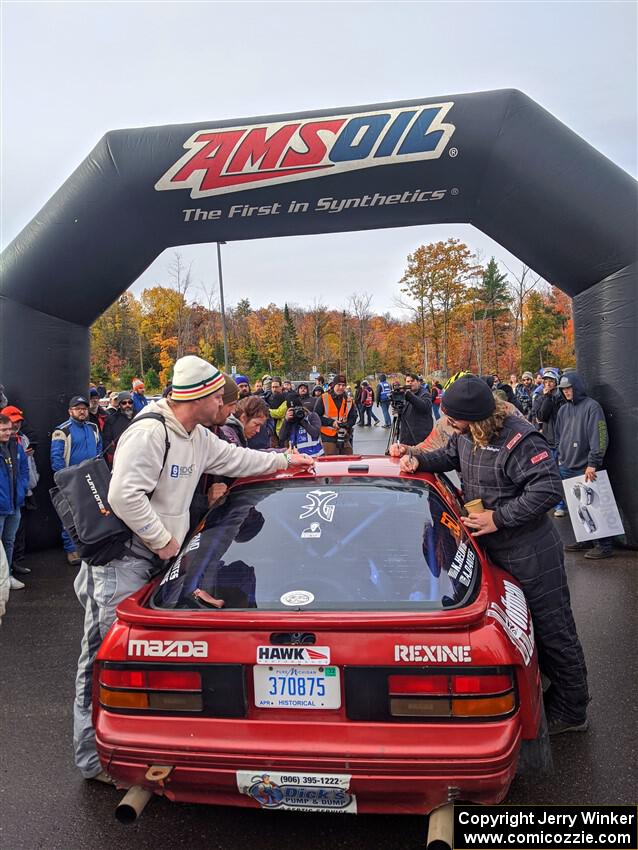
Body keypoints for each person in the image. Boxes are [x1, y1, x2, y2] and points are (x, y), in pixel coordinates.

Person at [73, 356, 315, 784]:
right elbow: (125, 495)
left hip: (154, 559)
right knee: (103, 656)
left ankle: (134, 748)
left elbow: (239, 460)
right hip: (120, 561)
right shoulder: (149, 432)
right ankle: (93, 759)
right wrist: (165, 542)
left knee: (144, 657)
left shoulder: (197, 436)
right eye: (218, 395)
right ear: (198, 396)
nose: (224, 402)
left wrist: (284, 462)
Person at [399, 375, 590, 735]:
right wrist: (415, 457)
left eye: (452, 418)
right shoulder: (466, 433)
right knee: (519, 632)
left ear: (473, 416)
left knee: (553, 629)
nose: (448, 423)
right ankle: (546, 689)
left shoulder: (520, 438)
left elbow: (548, 489)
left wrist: (497, 518)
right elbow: (446, 455)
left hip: (531, 551)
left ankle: (573, 709)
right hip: (491, 549)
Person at [555, 372, 614, 558]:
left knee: (595, 505)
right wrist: (560, 457)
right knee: (576, 507)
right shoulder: (563, 410)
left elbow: (600, 436)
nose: (566, 392)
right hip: (566, 464)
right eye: (563, 389)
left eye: (569, 388)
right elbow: (559, 435)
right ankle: (586, 538)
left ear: (577, 387)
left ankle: (604, 546)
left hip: (585, 466)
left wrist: (593, 462)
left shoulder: (592, 407)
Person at [50, 395, 102, 565]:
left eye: (84, 408)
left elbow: (99, 449)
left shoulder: (93, 427)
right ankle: (72, 550)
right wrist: (66, 479)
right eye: (78, 408)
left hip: (92, 478)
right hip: (72, 482)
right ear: (70, 411)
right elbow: (56, 458)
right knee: (71, 517)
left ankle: (91, 545)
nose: (82, 411)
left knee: (93, 514)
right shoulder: (62, 430)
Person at [0, 413, 29, 590]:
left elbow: (24, 469)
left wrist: (22, 489)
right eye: (3, 429)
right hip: (1, 505)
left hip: (14, 503)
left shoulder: (15, 446)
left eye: (9, 429)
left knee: (9, 540)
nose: (8, 432)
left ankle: (7, 576)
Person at [314, 374, 357, 455]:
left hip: (343, 435)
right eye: (339, 385)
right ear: (334, 385)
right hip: (327, 436)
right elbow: (316, 417)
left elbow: (353, 417)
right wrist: (332, 422)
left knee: (349, 457)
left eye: (343, 385)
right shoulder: (323, 398)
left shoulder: (348, 400)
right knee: (331, 460)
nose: (341, 387)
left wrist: (346, 427)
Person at [397, 374, 433, 445]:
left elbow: (424, 407)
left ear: (419, 382)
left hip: (419, 437)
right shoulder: (406, 394)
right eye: (408, 381)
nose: (410, 383)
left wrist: (409, 395)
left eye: (412, 381)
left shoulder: (425, 394)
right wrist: (399, 410)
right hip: (406, 436)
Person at [101, 392, 135, 467]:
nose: (127, 405)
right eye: (124, 403)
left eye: (130, 402)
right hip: (120, 459)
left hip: (137, 456)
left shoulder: (138, 417)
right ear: (119, 404)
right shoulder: (111, 420)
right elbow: (106, 441)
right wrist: (115, 452)